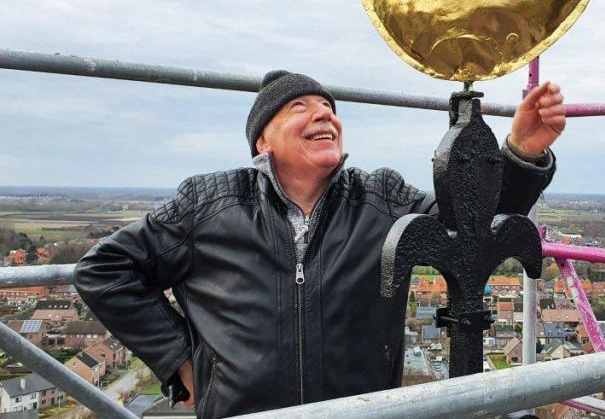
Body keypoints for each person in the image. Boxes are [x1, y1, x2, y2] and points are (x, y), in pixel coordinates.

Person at [73, 70, 566, 418]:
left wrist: (521, 153)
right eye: (300, 107)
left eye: (329, 107)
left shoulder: (380, 196)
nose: (324, 114)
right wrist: (181, 360)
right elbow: (105, 270)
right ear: (262, 140)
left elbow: (472, 231)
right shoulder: (210, 204)